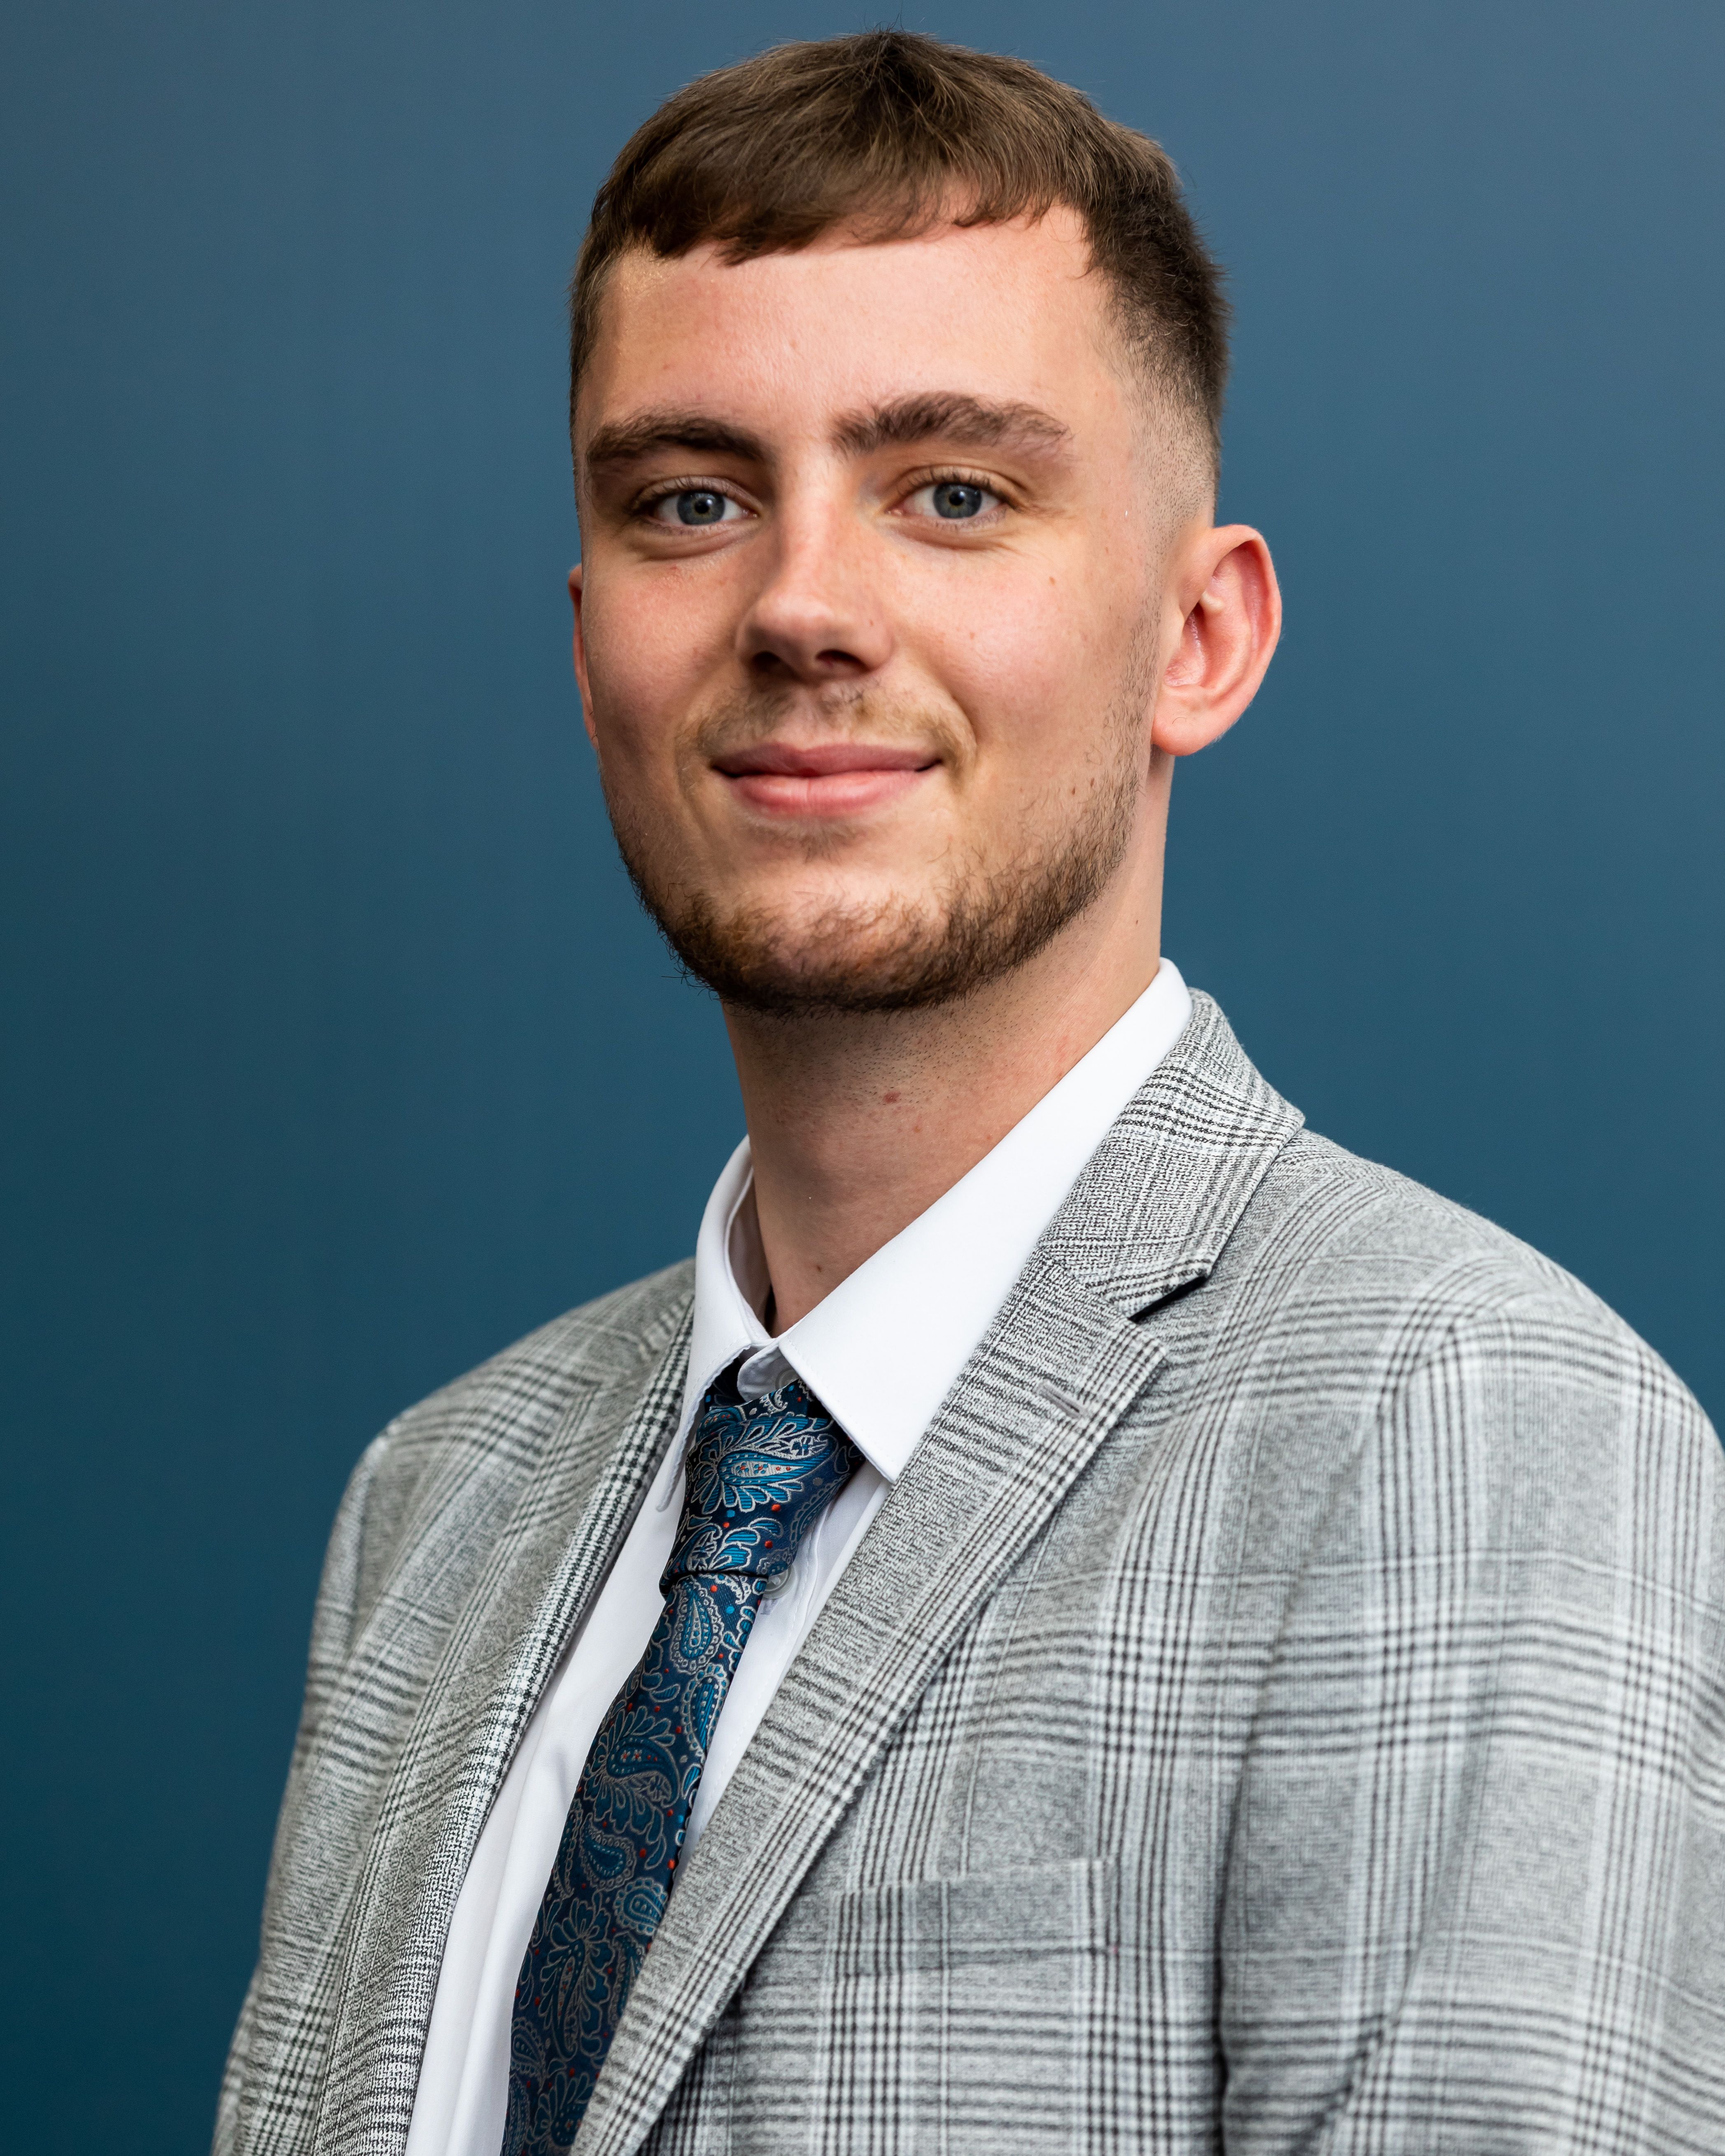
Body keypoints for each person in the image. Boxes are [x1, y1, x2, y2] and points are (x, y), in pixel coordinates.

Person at [216, 30, 1725, 2156]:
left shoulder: (1471, 1432)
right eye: (691, 500)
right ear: (589, 643)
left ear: (1199, 637)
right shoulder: (440, 1496)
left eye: (954, 492)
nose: (803, 606)